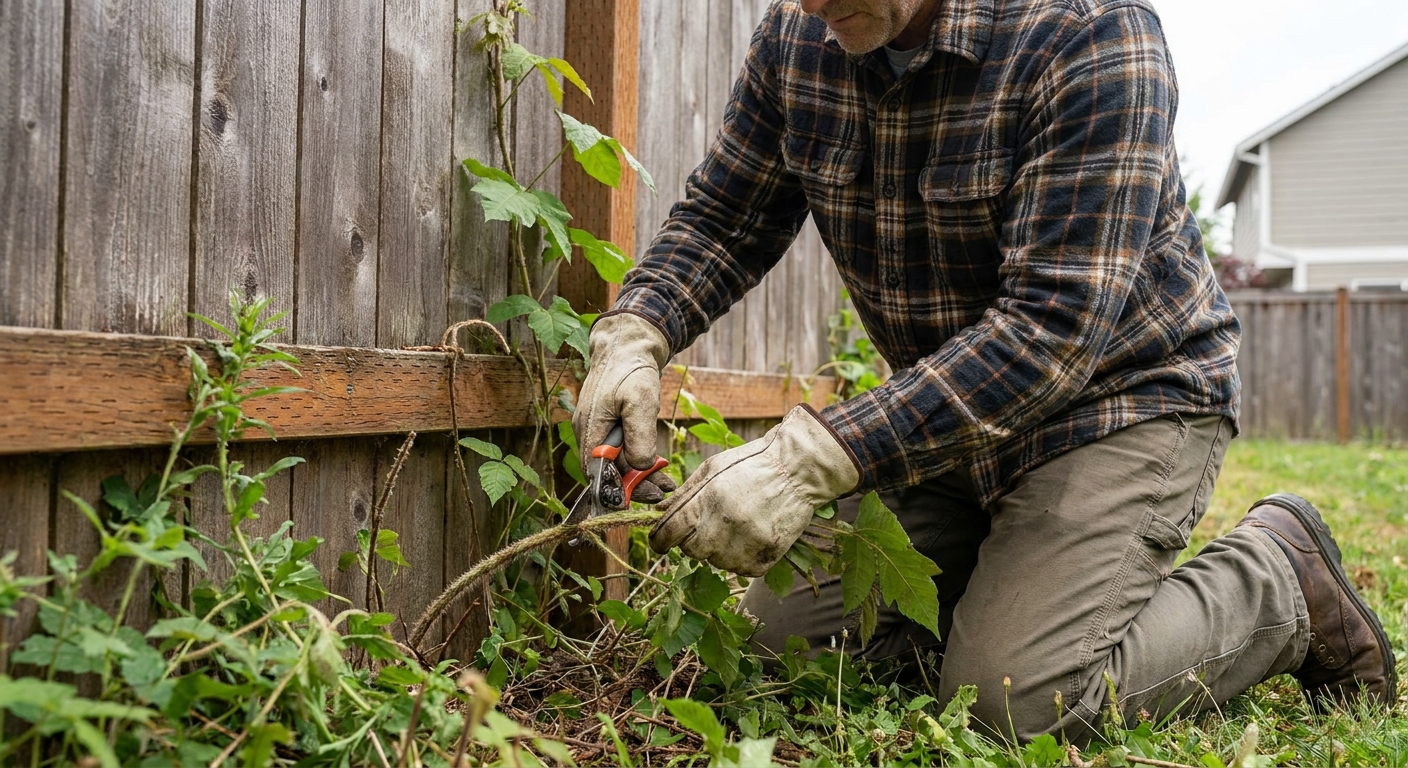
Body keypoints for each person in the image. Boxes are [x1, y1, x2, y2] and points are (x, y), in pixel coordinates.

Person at [571, 0, 1396, 741]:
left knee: (1016, 700)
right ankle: (1002, 589)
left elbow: (1052, 333)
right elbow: (725, 218)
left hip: (1118, 405)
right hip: (944, 423)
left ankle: (1282, 582)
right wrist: (639, 328)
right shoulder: (799, 39)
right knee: (776, 649)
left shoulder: (1094, 36)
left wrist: (806, 461)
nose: (814, 5)